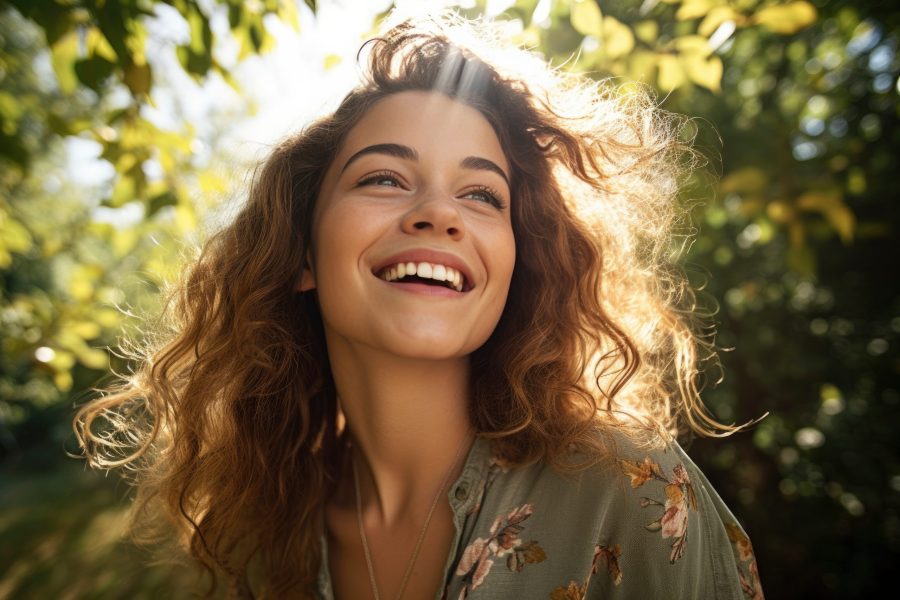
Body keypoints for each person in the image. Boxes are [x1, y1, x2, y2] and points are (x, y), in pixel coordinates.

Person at [75, 12, 764, 600]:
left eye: (482, 194)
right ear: (303, 255)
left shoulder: (633, 490)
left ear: (519, 261)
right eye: (384, 177)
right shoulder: (261, 531)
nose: (438, 213)